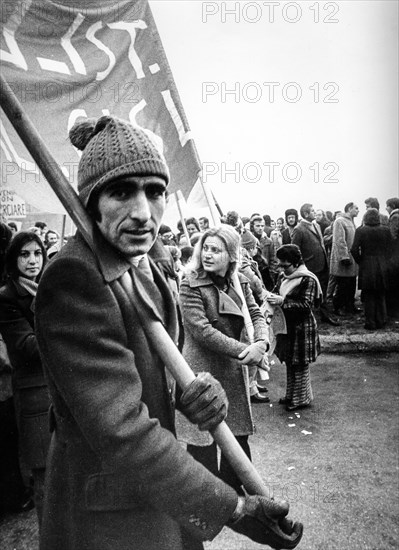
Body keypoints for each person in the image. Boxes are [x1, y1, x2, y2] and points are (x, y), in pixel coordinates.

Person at [35, 116, 302, 550]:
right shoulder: (74, 278)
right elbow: (123, 432)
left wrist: (196, 389)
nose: (144, 212)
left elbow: (159, 367)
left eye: (155, 191)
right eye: (122, 191)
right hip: (110, 517)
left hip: (162, 495)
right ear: (91, 201)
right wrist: (233, 508)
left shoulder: (148, 263)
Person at [178, 224, 269, 490]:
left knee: (237, 436)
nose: (207, 254)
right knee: (203, 439)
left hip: (232, 368)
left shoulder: (240, 281)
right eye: (205, 248)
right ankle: (207, 501)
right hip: (201, 370)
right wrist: (245, 351)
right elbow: (201, 330)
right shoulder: (190, 283)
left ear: (230, 254)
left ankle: (238, 495)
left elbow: (256, 313)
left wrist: (261, 343)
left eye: (215, 250)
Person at [0, 231, 51, 524]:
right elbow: (26, 346)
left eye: (37, 254)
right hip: (33, 395)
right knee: (44, 476)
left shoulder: (46, 287)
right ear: (13, 258)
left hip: (57, 390)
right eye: (25, 254)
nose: (33, 261)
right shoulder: (7, 297)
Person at [267, 245, 321, 411]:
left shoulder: (308, 279)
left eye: (286, 265)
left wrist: (282, 302)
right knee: (291, 363)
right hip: (287, 326)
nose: (282, 269)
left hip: (302, 327)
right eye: (280, 265)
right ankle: (293, 395)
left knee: (300, 364)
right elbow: (275, 293)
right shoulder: (284, 277)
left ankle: (300, 399)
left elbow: (306, 305)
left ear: (296, 263)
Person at [291, 203, 339, 325]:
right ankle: (308, 318)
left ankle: (325, 316)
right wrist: (302, 266)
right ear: (306, 214)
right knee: (309, 294)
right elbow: (295, 250)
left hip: (322, 264)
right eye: (312, 211)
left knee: (322, 290)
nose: (314, 212)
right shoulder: (299, 229)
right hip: (310, 266)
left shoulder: (316, 225)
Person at [351, 208, 392, 329]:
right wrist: (385, 260)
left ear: (366, 217)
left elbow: (354, 249)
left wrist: (360, 261)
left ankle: (370, 322)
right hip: (382, 264)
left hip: (367, 264)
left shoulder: (361, 231)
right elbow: (390, 249)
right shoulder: (386, 230)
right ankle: (382, 320)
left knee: (369, 295)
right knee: (381, 294)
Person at [329, 202, 359, 315]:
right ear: (349, 209)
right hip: (345, 260)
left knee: (351, 284)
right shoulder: (339, 221)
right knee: (342, 285)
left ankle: (350, 306)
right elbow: (339, 240)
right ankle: (338, 307)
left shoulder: (351, 222)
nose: (358, 210)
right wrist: (344, 256)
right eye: (356, 208)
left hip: (352, 259)